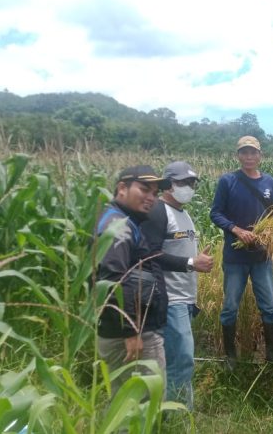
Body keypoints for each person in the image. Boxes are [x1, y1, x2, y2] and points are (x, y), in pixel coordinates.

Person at [209, 136, 273, 372]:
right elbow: (215, 213)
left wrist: (271, 233)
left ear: (260, 155)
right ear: (238, 155)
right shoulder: (228, 181)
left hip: (261, 257)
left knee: (270, 306)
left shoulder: (269, 182)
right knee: (230, 307)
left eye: (253, 152)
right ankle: (230, 357)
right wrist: (236, 230)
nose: (249, 157)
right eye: (244, 152)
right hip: (235, 259)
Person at [140, 161, 214, 411]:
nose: (189, 187)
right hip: (170, 300)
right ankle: (177, 416)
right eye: (183, 182)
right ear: (168, 185)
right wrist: (191, 263)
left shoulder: (184, 213)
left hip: (185, 299)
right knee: (181, 360)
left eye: (192, 182)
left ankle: (172, 411)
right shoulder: (158, 212)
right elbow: (148, 255)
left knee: (177, 359)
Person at [94, 165, 171, 394]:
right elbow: (113, 279)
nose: (151, 198)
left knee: (127, 400)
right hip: (131, 333)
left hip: (133, 328)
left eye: (154, 193)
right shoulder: (117, 226)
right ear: (122, 188)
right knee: (144, 401)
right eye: (144, 189)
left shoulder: (125, 222)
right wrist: (130, 331)